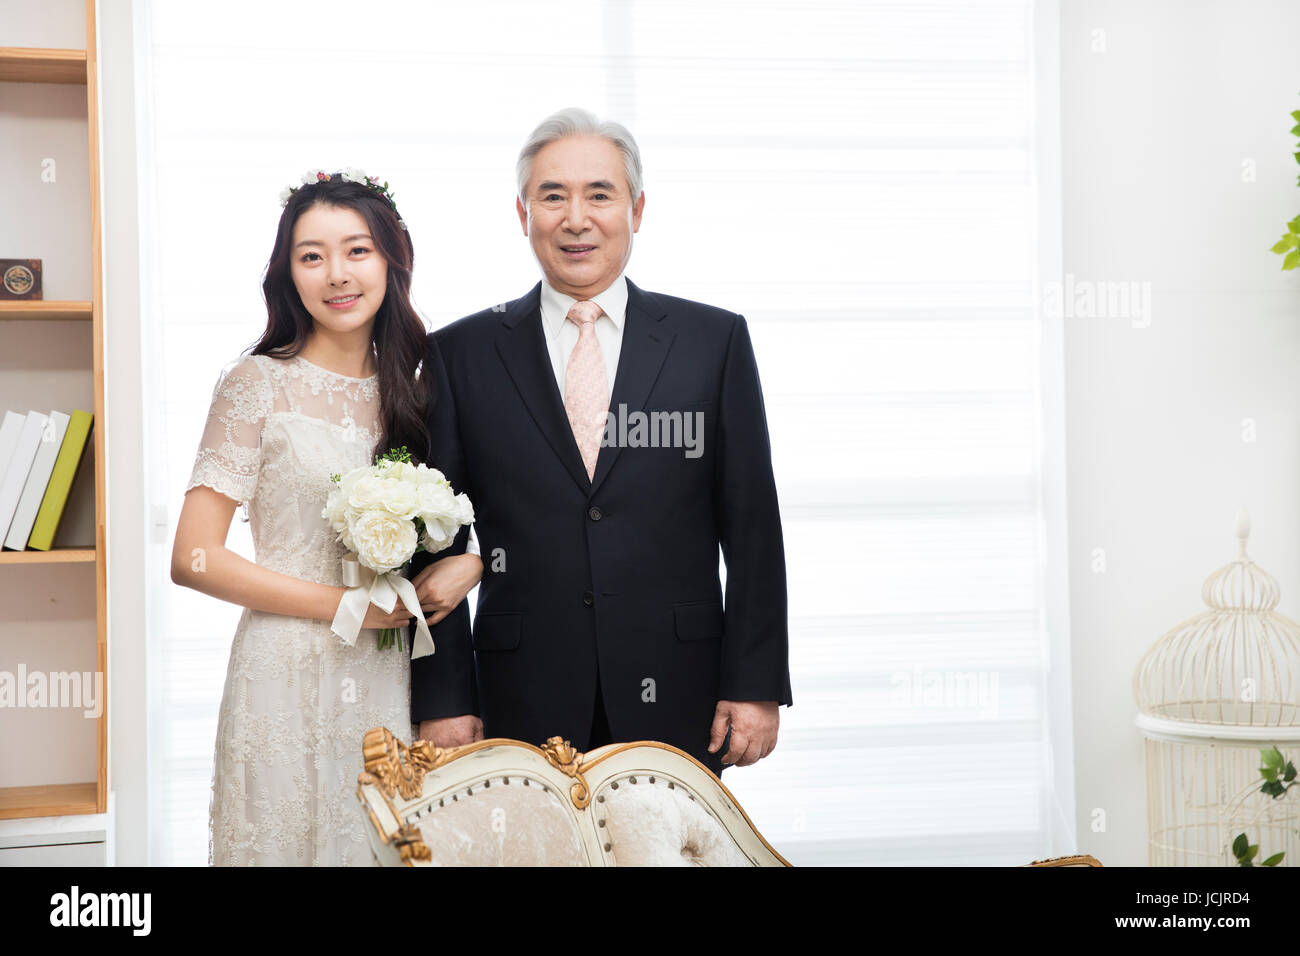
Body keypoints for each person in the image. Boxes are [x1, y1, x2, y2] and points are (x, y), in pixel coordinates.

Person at [408, 109, 792, 777]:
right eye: (552, 195)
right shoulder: (459, 355)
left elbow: (752, 527)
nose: (575, 218)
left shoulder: (713, 342)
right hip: (517, 698)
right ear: (522, 213)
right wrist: (444, 697)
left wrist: (754, 683)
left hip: (682, 691)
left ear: (637, 209)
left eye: (599, 194)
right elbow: (438, 545)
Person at [171, 169, 483, 866]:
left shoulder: (421, 390)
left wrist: (474, 558)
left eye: (357, 250)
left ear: (393, 259)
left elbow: (474, 517)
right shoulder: (256, 383)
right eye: (312, 256)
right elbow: (193, 557)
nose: (336, 274)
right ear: (289, 273)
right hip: (280, 670)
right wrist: (347, 605)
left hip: (390, 672)